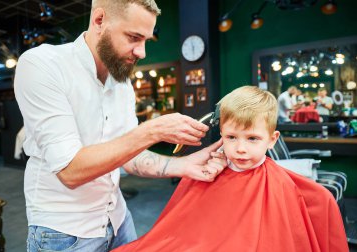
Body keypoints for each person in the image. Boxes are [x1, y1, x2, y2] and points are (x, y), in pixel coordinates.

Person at [14, 1, 227, 251]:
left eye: (146, 39)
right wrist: (152, 131)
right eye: (134, 37)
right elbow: (70, 171)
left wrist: (184, 165)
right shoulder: (43, 65)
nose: (142, 52)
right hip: (64, 232)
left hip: (117, 219)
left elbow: (127, 156)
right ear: (100, 20)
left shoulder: (121, 83)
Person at [113, 86, 348, 252]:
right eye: (231, 137)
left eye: (252, 139)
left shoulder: (282, 186)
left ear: (272, 139)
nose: (240, 149)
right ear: (221, 134)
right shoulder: (206, 173)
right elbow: (180, 232)